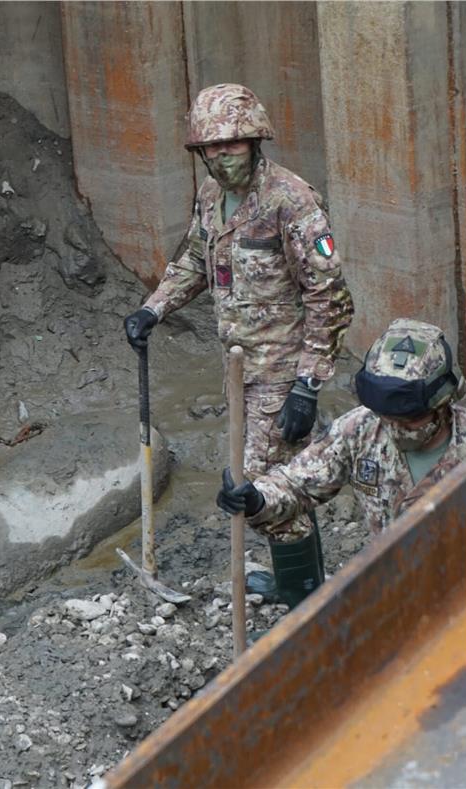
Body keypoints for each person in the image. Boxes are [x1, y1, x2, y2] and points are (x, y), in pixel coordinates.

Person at [124, 83, 354, 563]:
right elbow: (196, 259)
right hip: (238, 368)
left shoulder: (290, 202)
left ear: (254, 140)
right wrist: (154, 308)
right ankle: (301, 581)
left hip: (281, 373)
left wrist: (307, 385)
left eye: (231, 144)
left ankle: (301, 592)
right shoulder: (211, 197)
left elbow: (329, 296)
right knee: (281, 482)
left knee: (256, 490)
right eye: (211, 147)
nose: (221, 155)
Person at [217, 318, 466, 608]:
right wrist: (257, 498)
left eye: (411, 419)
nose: (397, 428)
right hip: (396, 586)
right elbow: (298, 483)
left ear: (442, 401)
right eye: (388, 417)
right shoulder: (360, 430)